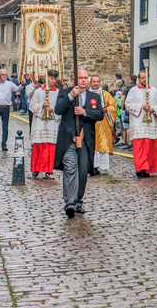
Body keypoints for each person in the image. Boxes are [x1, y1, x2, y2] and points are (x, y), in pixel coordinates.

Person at [54, 68, 103, 219]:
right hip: (69, 139)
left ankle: (78, 200)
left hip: (85, 140)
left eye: (85, 77)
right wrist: (70, 96)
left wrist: (85, 112)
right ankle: (69, 203)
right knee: (70, 169)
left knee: (82, 171)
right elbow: (57, 110)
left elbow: (100, 114)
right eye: (80, 77)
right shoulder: (64, 93)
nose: (83, 80)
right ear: (74, 80)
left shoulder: (94, 96)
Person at [124, 70, 157, 178]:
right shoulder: (133, 91)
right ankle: (140, 168)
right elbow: (128, 104)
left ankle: (148, 169)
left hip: (151, 124)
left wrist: (152, 109)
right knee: (140, 148)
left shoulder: (154, 91)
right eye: (142, 78)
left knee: (151, 147)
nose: (144, 80)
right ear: (138, 79)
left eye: (146, 78)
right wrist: (142, 106)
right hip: (139, 123)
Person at [29, 69, 60, 179]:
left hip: (52, 123)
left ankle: (49, 170)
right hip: (40, 123)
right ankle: (36, 169)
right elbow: (32, 106)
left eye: (55, 79)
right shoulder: (38, 92)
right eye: (52, 78)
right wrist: (42, 105)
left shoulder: (58, 93)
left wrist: (53, 109)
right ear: (47, 78)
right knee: (39, 146)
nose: (53, 81)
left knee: (50, 147)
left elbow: (61, 109)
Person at [0, 68, 22, 151]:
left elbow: (17, 89)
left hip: (5, 107)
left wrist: (22, 85)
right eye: (2, 75)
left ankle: (4, 144)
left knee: (5, 126)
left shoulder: (9, 84)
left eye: (5, 75)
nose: (4, 77)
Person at [90, 75, 117, 174]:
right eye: (94, 82)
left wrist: (107, 110)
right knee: (93, 145)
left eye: (97, 81)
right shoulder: (87, 94)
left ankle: (103, 166)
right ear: (90, 83)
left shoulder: (106, 94)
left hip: (103, 123)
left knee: (103, 144)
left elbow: (113, 107)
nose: (96, 83)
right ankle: (93, 167)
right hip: (91, 124)